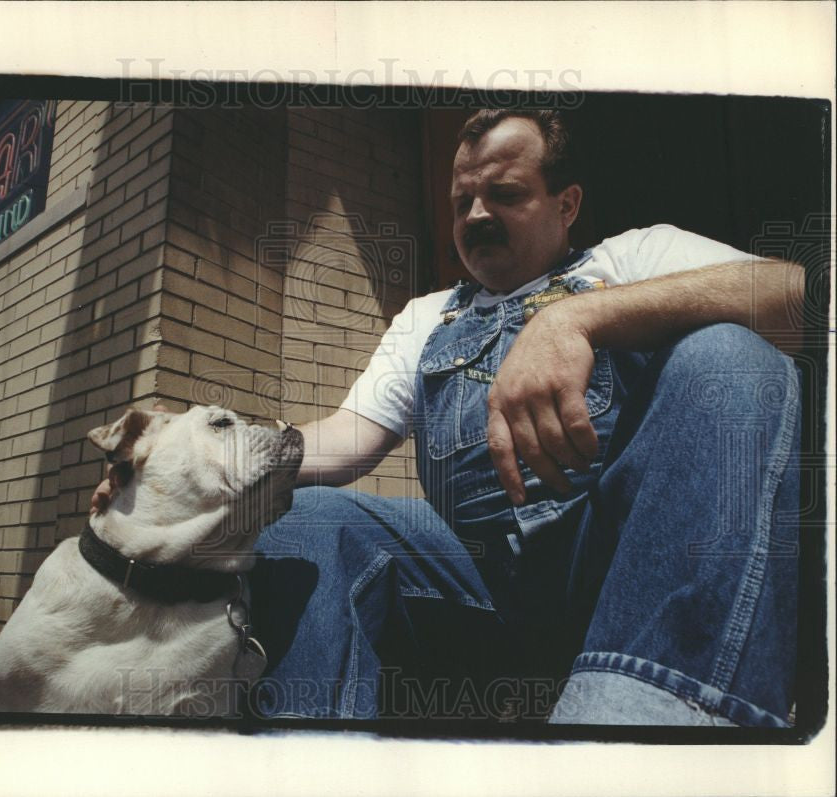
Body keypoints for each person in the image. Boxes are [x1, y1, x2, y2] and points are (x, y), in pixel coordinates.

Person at [93, 109, 804, 726]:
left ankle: (653, 719)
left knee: (731, 354)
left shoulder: (634, 256)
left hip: (623, 562)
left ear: (567, 203)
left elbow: (798, 298)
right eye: (462, 200)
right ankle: (312, 754)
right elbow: (346, 440)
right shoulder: (426, 316)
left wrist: (578, 318)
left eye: (505, 194)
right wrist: (198, 457)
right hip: (478, 577)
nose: (475, 217)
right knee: (311, 516)